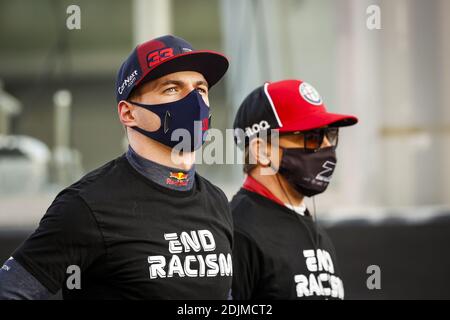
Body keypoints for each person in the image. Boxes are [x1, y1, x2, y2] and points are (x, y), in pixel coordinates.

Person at [0, 35, 233, 300]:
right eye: (171, 88)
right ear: (128, 113)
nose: (195, 102)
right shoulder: (86, 205)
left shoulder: (216, 201)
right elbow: (10, 290)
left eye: (200, 89)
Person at [231, 79, 358, 300]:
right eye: (312, 137)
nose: (327, 146)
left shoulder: (315, 232)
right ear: (261, 151)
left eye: (331, 135)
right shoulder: (237, 230)